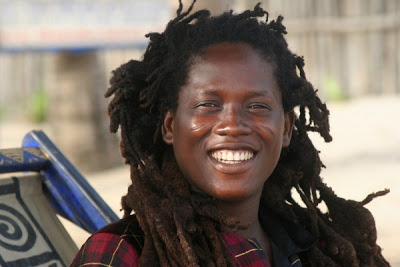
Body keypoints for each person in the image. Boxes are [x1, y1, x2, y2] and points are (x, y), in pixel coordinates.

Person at [71, 1, 390, 266]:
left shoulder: (321, 247)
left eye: (257, 106)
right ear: (170, 126)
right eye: (208, 104)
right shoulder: (119, 255)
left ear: (287, 128)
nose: (233, 124)